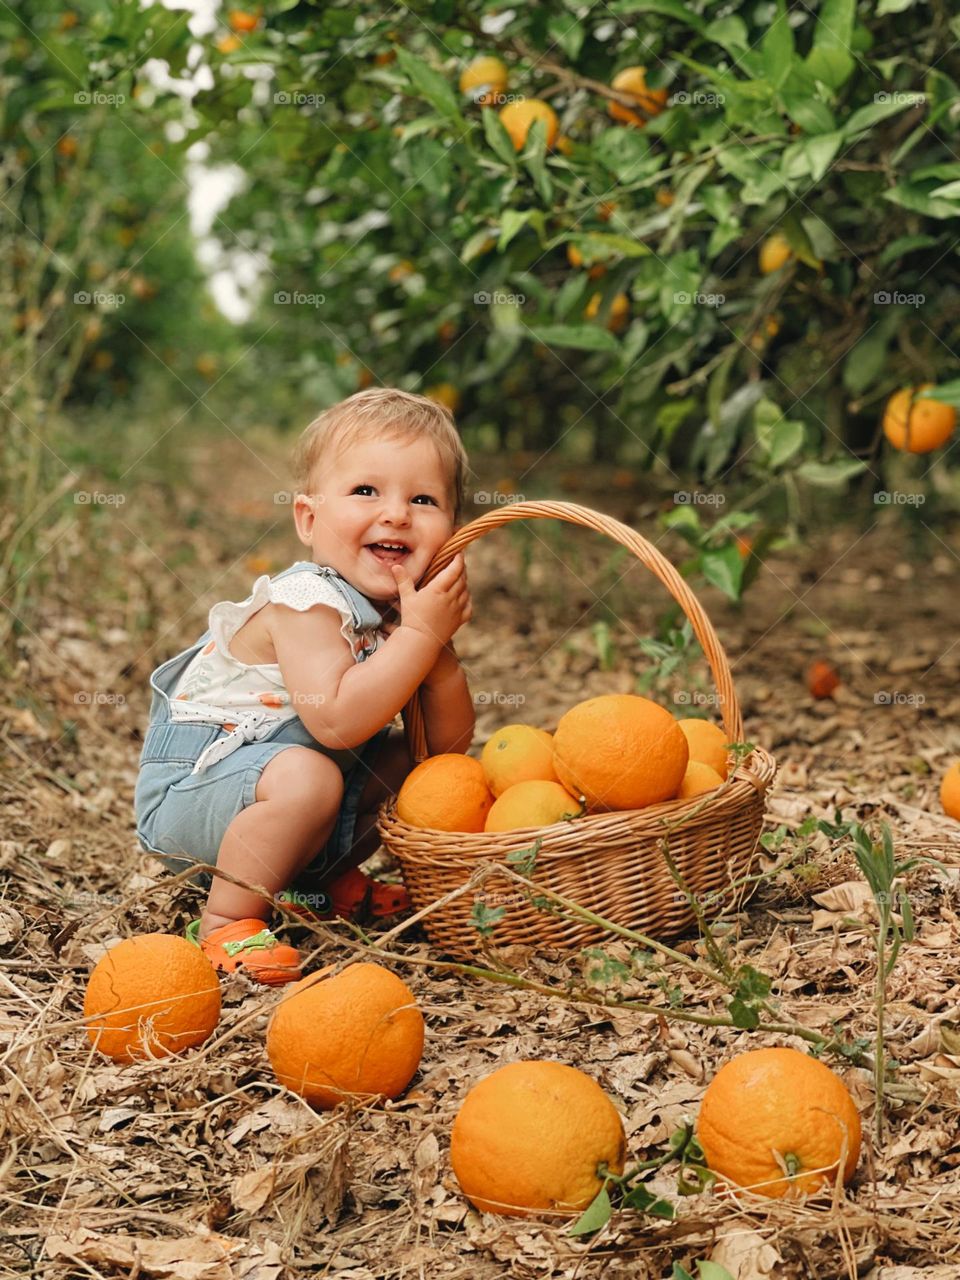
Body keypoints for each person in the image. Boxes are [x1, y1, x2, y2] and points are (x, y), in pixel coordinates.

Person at [134, 387, 475, 984]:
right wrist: (418, 637)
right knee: (310, 772)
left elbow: (444, 748)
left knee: (411, 763)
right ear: (309, 519)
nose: (396, 513)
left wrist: (438, 654)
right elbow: (335, 721)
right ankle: (225, 921)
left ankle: (317, 883)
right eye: (366, 491)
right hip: (196, 794)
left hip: (282, 791)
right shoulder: (305, 602)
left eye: (423, 499)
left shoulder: (400, 615)